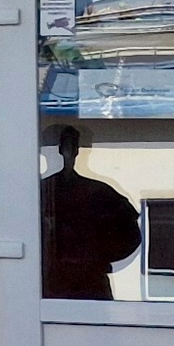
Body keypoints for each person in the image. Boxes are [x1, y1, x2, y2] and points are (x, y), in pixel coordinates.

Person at [38, 125, 142, 299]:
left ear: (78, 150)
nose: (69, 152)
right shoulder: (42, 191)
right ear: (59, 150)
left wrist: (97, 256)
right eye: (66, 146)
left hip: (90, 281)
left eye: (72, 146)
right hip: (53, 282)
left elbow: (130, 233)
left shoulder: (99, 191)